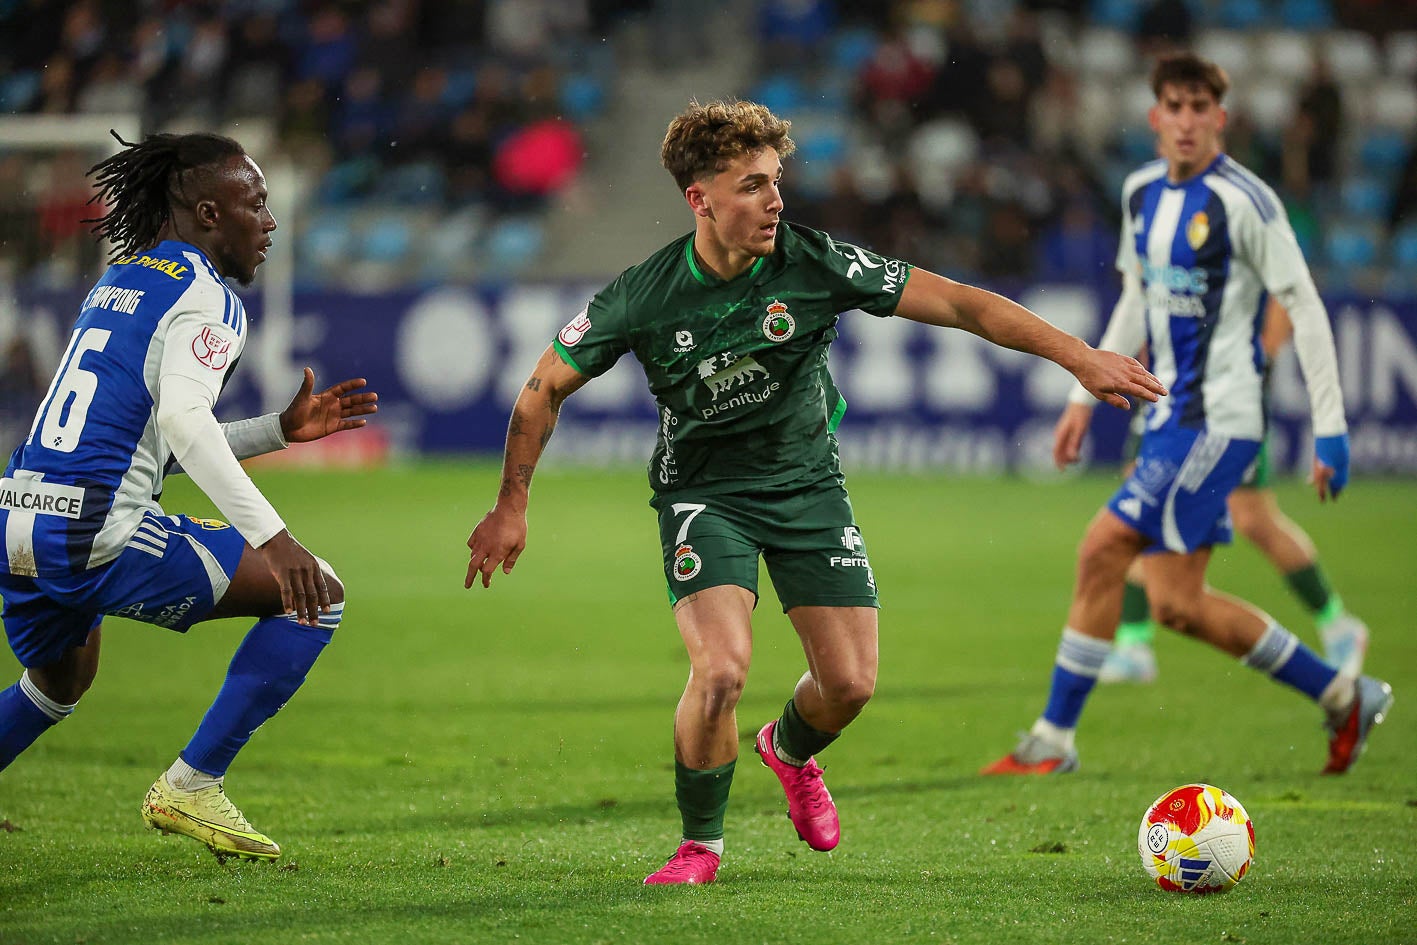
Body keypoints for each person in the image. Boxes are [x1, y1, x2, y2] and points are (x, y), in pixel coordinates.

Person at [463, 99, 1165, 886]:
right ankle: (701, 843)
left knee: (850, 685)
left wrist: (1077, 356)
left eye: (776, 181)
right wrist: (511, 505)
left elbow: (965, 304)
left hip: (807, 488)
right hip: (705, 496)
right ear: (700, 200)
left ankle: (787, 750)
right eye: (752, 186)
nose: (775, 201)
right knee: (721, 670)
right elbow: (538, 391)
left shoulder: (815, 262)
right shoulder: (641, 295)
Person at [982, 53, 1392, 778]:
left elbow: (1301, 302)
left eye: (1199, 107)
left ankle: (1051, 738)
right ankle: (1341, 693)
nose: (1185, 120)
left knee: (1102, 547)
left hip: (1219, 419)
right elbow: (1136, 301)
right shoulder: (1140, 193)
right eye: (1173, 105)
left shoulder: (1246, 201)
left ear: (1219, 118)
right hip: (1165, 418)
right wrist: (1083, 393)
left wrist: (1330, 423)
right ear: (1153, 116)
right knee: (1176, 602)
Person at [0, 132, 378, 861]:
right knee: (317, 591)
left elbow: (140, 440)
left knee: (59, 681)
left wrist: (276, 430)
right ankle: (191, 782)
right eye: (256, 203)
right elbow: (181, 420)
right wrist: (276, 538)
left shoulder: (124, 279)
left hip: (16, 515)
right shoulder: (208, 297)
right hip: (92, 529)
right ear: (209, 212)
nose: (269, 222)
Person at [1095, 300, 1370, 685]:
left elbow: (1285, 291)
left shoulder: (1243, 240)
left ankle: (1337, 624)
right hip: (1165, 389)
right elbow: (1140, 293)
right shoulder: (1152, 243)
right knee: (1139, 511)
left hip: (1226, 398)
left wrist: (1265, 353)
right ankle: (1133, 645)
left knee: (1253, 518)